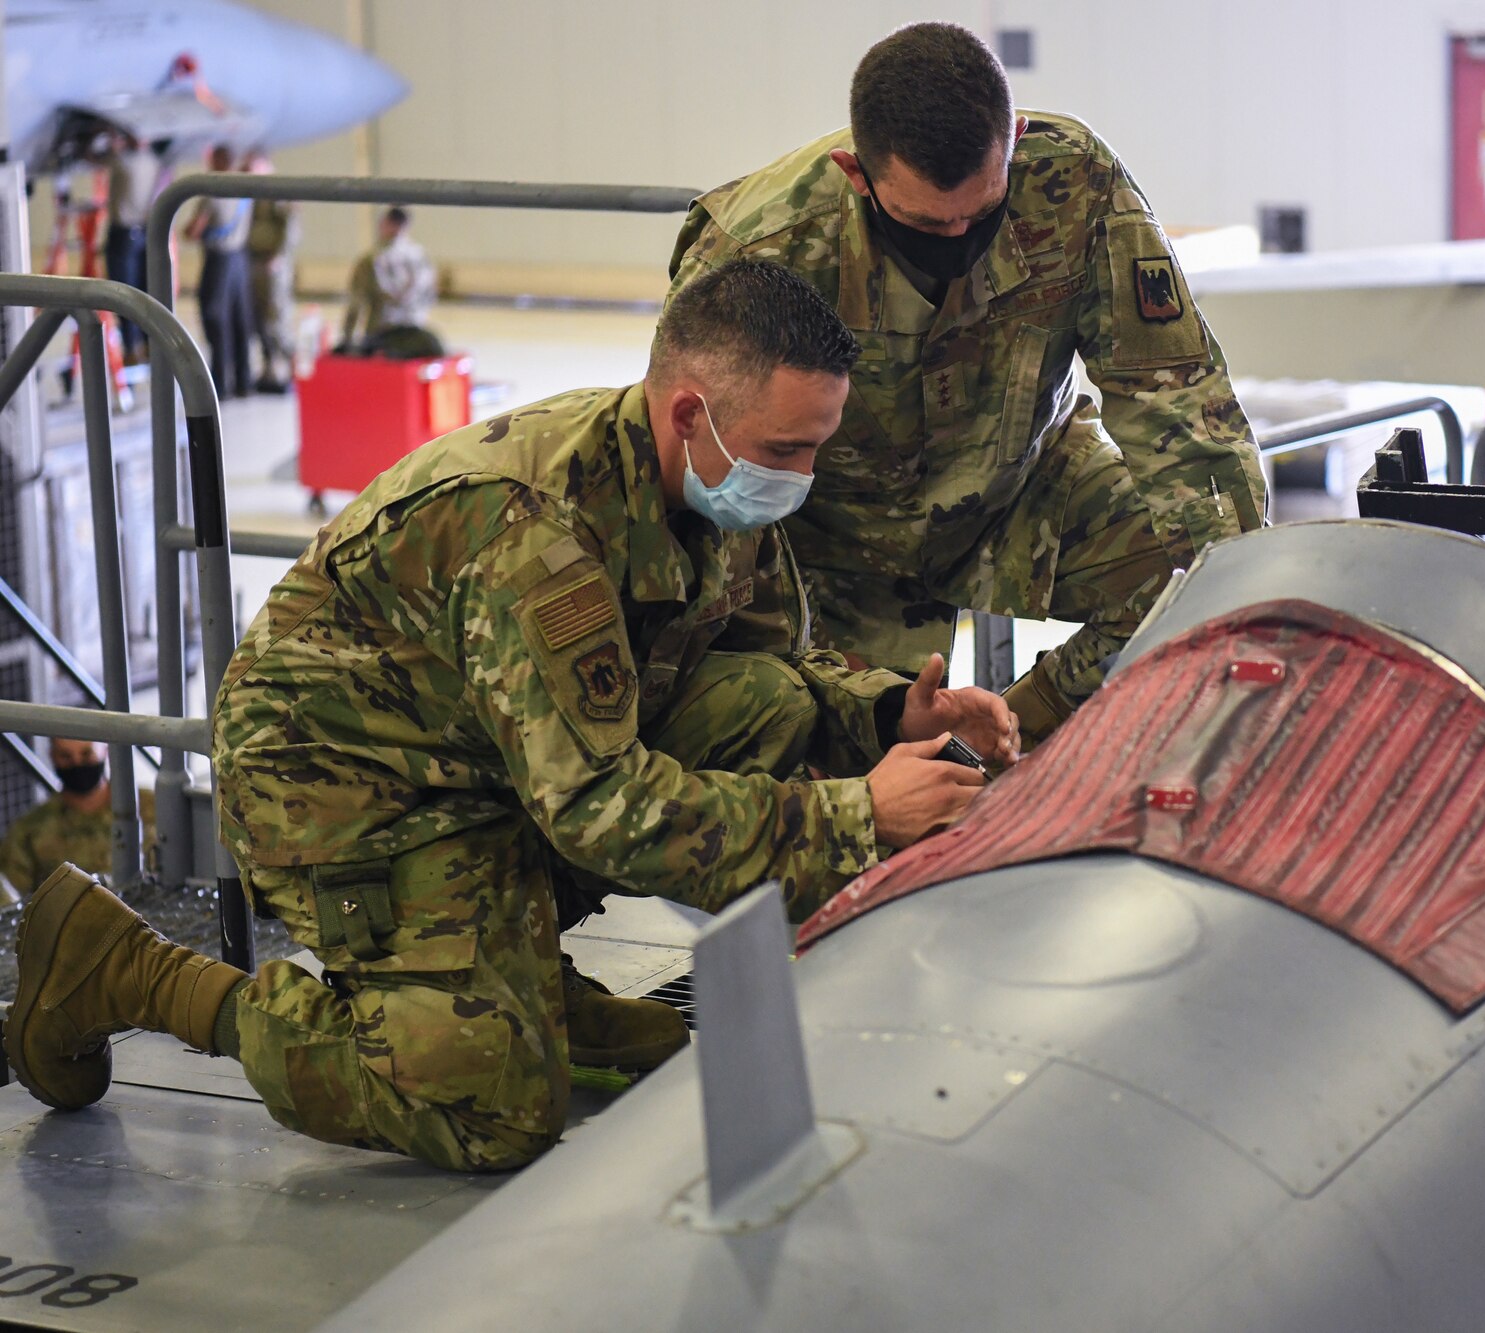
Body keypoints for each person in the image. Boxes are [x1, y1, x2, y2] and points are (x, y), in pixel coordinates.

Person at [5, 259, 1017, 1173]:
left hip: (487, 754)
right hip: (346, 791)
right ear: (688, 414)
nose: (798, 478)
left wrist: (885, 712)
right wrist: (854, 816)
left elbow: (757, 666)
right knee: (491, 1110)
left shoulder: (696, 486)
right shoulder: (532, 534)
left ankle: (514, 975)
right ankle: (125, 967)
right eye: (785, 450)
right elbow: (595, 807)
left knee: (762, 709)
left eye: (814, 450)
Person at [665, 22, 1265, 750]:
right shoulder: (762, 245)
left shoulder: (1071, 183)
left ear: (1012, 140)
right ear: (857, 175)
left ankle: (1007, 738)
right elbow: (693, 458)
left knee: (1190, 577)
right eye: (922, 221)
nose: (955, 239)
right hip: (833, 544)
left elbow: (1177, 398)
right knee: (848, 769)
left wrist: (1243, 589)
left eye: (981, 213)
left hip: (1019, 490)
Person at [0, 739, 152, 904]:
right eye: (66, 756)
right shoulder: (30, 830)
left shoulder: (153, 807)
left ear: (105, 751)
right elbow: (12, 900)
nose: (77, 763)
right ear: (52, 756)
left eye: (87, 754)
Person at [183, 144, 255, 397]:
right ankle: (245, 382)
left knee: (216, 321)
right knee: (240, 321)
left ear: (216, 161)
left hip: (218, 262)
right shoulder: (244, 189)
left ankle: (220, 384)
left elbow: (193, 231)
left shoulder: (212, 194)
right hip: (240, 261)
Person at [341, 206, 439, 357]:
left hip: (382, 338)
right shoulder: (420, 257)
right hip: (415, 338)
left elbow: (356, 304)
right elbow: (430, 297)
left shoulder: (371, 259)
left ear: (384, 224)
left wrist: (347, 341)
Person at [244, 149, 300, 393]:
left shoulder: (276, 192)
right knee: (259, 319)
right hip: (253, 262)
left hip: (273, 266)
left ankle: (288, 368)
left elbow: (291, 227)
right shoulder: (250, 193)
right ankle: (270, 367)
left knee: (276, 316)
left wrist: (278, 255)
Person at [102, 132, 161, 362]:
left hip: (123, 235)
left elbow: (95, 158)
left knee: (123, 293)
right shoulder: (153, 162)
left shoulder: (124, 162)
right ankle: (147, 346)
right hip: (143, 233)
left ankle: (131, 349)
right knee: (143, 290)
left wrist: (110, 142)